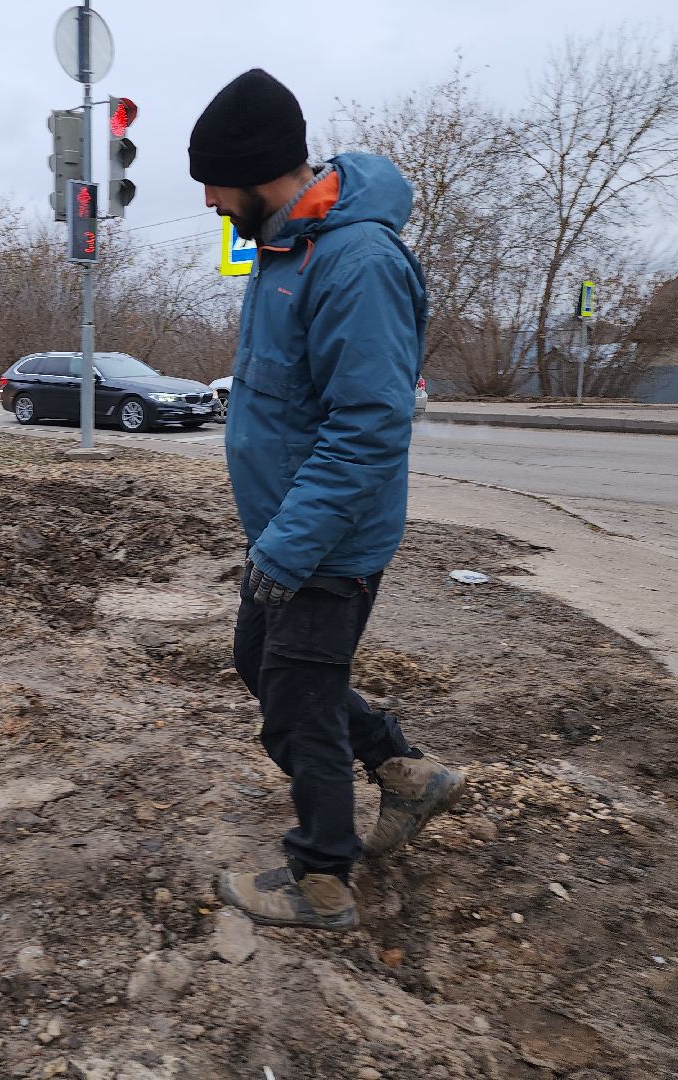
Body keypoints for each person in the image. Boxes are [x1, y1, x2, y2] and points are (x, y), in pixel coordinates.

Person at [189, 68, 467, 931]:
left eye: (212, 179)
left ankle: (322, 879)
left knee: (300, 708)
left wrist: (287, 547)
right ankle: (402, 769)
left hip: (326, 542)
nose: (206, 199)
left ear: (255, 167)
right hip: (289, 533)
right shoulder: (286, 247)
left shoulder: (357, 262)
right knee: (262, 673)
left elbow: (369, 430)